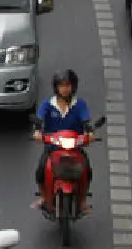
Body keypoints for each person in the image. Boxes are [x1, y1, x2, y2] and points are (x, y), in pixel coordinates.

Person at [33, 70, 94, 213]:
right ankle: (43, 196)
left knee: (87, 170)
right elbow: (39, 120)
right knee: (41, 170)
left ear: (73, 87)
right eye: (61, 86)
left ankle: (83, 201)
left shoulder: (80, 104)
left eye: (68, 85)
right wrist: (37, 132)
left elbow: (86, 121)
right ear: (56, 87)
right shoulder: (47, 104)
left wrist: (90, 134)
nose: (65, 89)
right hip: (53, 147)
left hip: (75, 146)